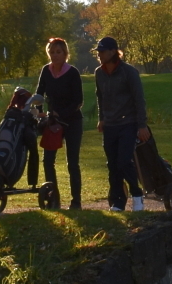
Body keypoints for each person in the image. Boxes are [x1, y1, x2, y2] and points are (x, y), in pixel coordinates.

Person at [91, 36, 150, 211]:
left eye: (103, 51)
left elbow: (139, 99)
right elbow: (100, 97)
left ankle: (137, 195)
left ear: (113, 52)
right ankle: (118, 202)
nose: (100, 55)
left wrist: (142, 125)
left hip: (128, 123)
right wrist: (101, 118)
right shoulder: (99, 73)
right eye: (99, 52)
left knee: (124, 161)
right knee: (112, 165)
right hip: (110, 125)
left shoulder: (129, 72)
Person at [34, 37, 84, 209]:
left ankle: (76, 201)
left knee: (72, 162)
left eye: (58, 52)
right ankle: (53, 198)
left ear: (65, 54)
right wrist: (39, 112)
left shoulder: (72, 73)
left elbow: (78, 101)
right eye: (52, 52)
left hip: (72, 121)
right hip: (53, 122)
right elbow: (39, 93)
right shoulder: (46, 71)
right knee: (48, 160)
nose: (55, 55)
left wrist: (61, 113)